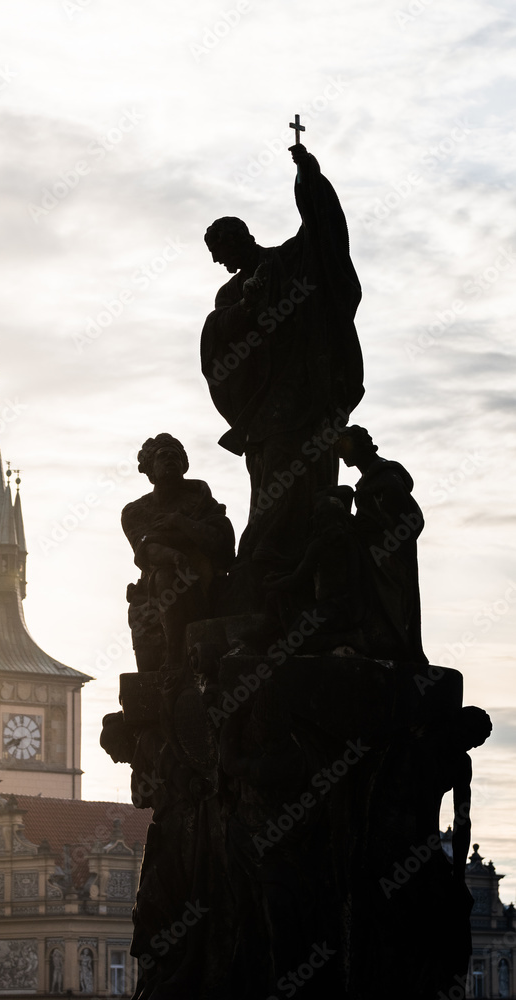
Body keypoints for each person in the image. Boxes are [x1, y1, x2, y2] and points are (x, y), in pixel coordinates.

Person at [202, 144, 363, 602]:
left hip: (306, 389)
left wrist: (307, 179)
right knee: (272, 475)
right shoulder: (231, 292)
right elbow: (218, 336)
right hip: (265, 403)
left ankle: (287, 561)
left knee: (311, 473)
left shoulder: (286, 262)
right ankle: (268, 557)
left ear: (241, 238)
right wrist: (247, 308)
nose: (220, 261)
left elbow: (321, 234)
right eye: (215, 255)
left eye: (222, 249)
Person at [122, 433, 235, 670]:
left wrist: (179, 522)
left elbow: (221, 542)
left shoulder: (203, 500)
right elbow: (147, 550)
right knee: (165, 575)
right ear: (150, 469)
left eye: (176, 456)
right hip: (160, 588)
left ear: (185, 465)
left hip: (204, 584)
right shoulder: (136, 511)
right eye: (163, 456)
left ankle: (176, 660)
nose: (171, 459)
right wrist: (177, 555)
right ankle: (173, 657)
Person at [336, 425, 426, 662]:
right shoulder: (369, 479)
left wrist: (384, 541)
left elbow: (413, 520)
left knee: (392, 608)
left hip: (389, 559)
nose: (341, 455)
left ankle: (390, 644)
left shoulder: (385, 478)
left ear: (360, 446)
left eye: (344, 447)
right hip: (377, 553)